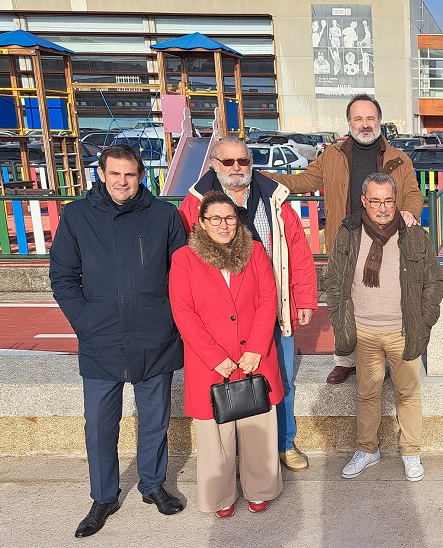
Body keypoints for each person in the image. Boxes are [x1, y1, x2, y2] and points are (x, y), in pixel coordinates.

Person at [50, 145, 187, 538]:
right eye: (115, 174)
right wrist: (86, 322)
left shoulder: (164, 215)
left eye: (130, 175)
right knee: (99, 424)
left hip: (154, 337)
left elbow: (181, 276)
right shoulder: (76, 216)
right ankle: (104, 495)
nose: (122, 182)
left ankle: (152, 485)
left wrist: (170, 323)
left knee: (155, 419)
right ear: (102, 175)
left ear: (141, 175)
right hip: (101, 339)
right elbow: (62, 277)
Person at [178, 137, 318, 473]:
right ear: (214, 164)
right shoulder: (194, 205)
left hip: (273, 306)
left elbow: (297, 250)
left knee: (280, 381)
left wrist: (306, 297)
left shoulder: (274, 198)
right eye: (229, 162)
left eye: (243, 160)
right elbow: (185, 260)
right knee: (229, 382)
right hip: (221, 318)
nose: (237, 168)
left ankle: (284, 443)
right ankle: (240, 456)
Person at [268, 93, 423, 385]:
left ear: (379, 121)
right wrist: (264, 177)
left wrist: (410, 210)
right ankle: (345, 360)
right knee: (342, 299)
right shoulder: (332, 155)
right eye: (358, 119)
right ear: (349, 122)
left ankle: (386, 359)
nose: (365, 125)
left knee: (385, 301)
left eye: (370, 118)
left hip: (386, 241)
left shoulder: (398, 158)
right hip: (346, 238)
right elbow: (303, 181)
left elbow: (413, 192)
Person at [169, 191, 284, 517]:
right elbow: (183, 312)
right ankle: (220, 496)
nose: (224, 225)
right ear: (202, 223)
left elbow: (267, 299)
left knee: (258, 429)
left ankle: (260, 488)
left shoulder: (255, 251)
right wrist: (213, 356)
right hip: (211, 363)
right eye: (215, 219)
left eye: (230, 218)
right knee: (214, 439)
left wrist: (257, 348)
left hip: (253, 359)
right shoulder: (184, 259)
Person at [326, 173, 443, 482]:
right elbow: (335, 281)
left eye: (389, 201)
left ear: (396, 201)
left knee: (408, 393)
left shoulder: (413, 234)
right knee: (367, 393)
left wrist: (424, 320)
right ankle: (368, 450)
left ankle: (411, 452)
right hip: (364, 332)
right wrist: (341, 323)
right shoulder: (348, 232)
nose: (382, 208)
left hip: (403, 331)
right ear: (364, 202)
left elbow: (435, 281)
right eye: (376, 201)